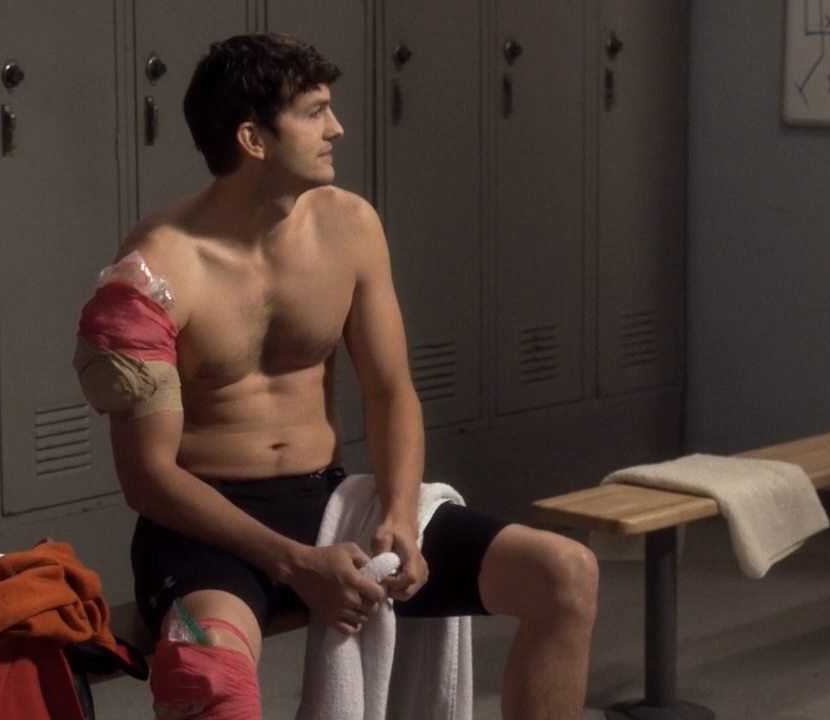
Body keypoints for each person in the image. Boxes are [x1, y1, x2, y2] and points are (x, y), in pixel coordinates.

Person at [75, 33, 598, 720]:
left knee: (565, 574)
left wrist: (400, 516)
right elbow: (148, 477)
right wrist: (294, 563)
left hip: (327, 503)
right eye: (315, 112)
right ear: (253, 139)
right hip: (208, 528)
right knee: (206, 674)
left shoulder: (351, 226)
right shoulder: (154, 271)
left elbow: (390, 391)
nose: (337, 128)